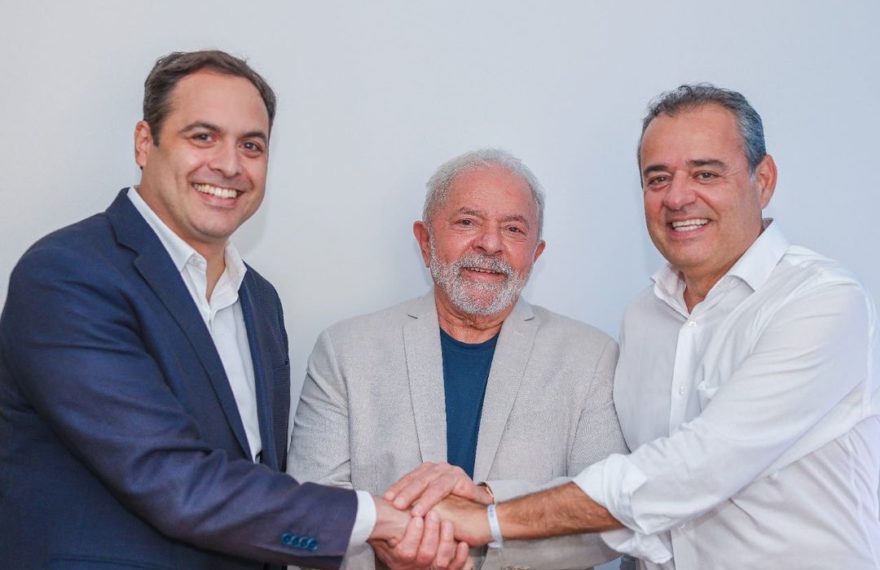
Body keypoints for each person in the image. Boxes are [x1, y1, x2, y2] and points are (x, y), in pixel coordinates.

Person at [0, 49, 445, 570]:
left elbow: (255, 484)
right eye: (202, 136)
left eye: (251, 145)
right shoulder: (68, 275)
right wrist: (379, 523)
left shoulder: (260, 300)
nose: (230, 165)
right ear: (144, 142)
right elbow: (173, 482)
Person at [427, 85, 880, 569]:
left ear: (763, 180)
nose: (678, 197)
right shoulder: (643, 316)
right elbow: (634, 491)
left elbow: (697, 468)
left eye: (706, 173)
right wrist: (484, 496)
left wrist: (488, 518)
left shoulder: (819, 300)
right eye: (658, 178)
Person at [290, 148, 627, 569]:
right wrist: (389, 549)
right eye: (467, 222)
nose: (490, 244)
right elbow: (309, 517)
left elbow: (609, 518)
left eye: (513, 229)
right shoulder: (344, 351)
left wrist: (486, 508)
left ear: (535, 254)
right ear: (425, 240)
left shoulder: (591, 358)